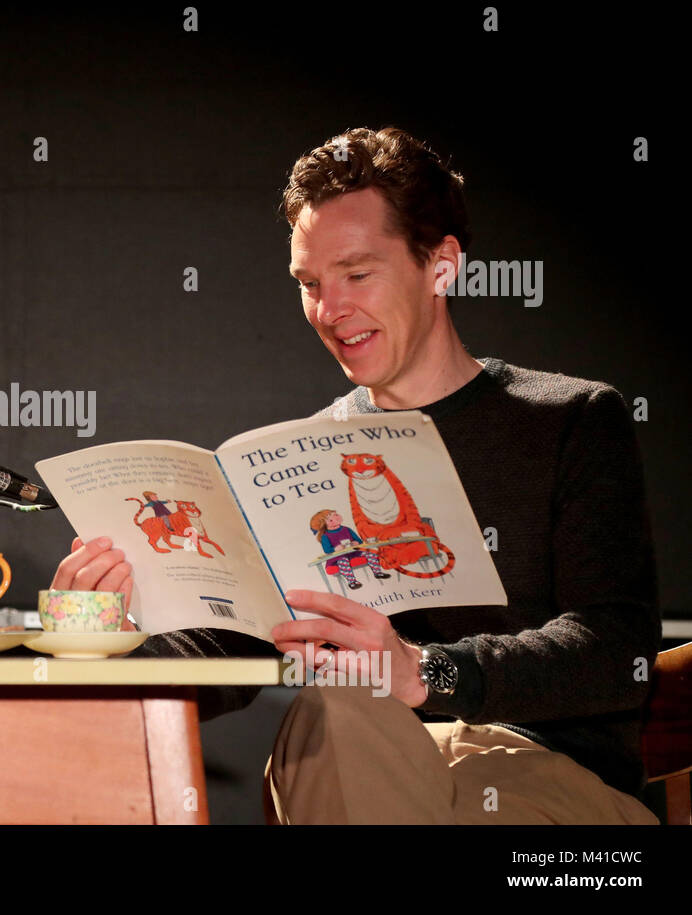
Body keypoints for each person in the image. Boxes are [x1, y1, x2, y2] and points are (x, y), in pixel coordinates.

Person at [52, 127, 661, 824]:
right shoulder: (299, 457)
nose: (329, 310)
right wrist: (106, 640)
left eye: (357, 274)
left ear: (441, 265)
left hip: (546, 776)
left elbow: (616, 647)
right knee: (341, 697)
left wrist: (426, 670)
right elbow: (235, 643)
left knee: (357, 700)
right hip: (363, 758)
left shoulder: (571, 417)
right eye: (310, 283)